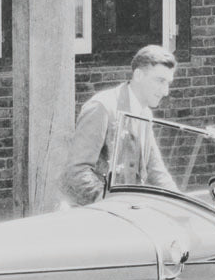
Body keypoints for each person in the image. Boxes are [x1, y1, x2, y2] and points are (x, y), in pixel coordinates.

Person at [60, 44, 178, 206]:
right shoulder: (102, 107)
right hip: (94, 211)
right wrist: (112, 202)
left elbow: (156, 171)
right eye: (160, 81)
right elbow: (76, 172)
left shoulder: (144, 113)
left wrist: (180, 206)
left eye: (168, 83)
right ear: (138, 75)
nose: (165, 91)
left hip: (125, 210)